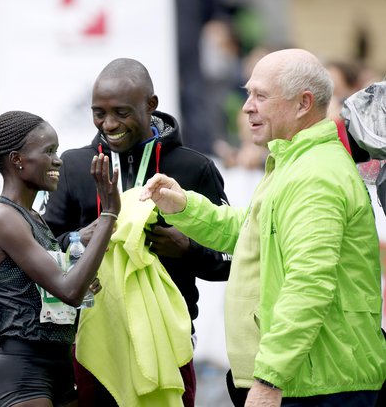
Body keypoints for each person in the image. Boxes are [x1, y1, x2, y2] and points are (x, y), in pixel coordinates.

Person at [140, 48, 386, 407]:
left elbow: (308, 285)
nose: (246, 107)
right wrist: (184, 206)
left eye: (260, 95)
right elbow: (252, 233)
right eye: (247, 93)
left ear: (303, 103)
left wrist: (269, 379)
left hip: (316, 388)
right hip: (304, 382)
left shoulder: (315, 175)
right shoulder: (295, 162)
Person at [42, 58, 230, 406]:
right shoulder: (74, 165)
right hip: (90, 343)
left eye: (121, 113)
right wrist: (77, 240)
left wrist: (187, 249)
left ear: (151, 105)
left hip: (167, 343)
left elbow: (230, 260)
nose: (109, 124)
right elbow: (43, 248)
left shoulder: (193, 167)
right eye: (99, 113)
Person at [0, 110, 120, 407]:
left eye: (56, 150)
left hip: (59, 367)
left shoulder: (32, 217)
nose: (58, 160)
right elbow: (68, 290)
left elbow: (60, 289)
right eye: (49, 151)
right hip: (24, 374)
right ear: (17, 160)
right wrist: (109, 214)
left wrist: (82, 253)